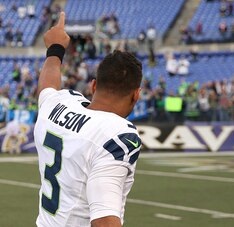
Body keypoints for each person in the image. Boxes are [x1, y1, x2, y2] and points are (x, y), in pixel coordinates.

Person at [34, 12, 142, 227]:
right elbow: (104, 220)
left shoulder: (58, 103)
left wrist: (55, 50)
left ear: (93, 86)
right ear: (136, 95)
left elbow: (47, 86)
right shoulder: (117, 134)